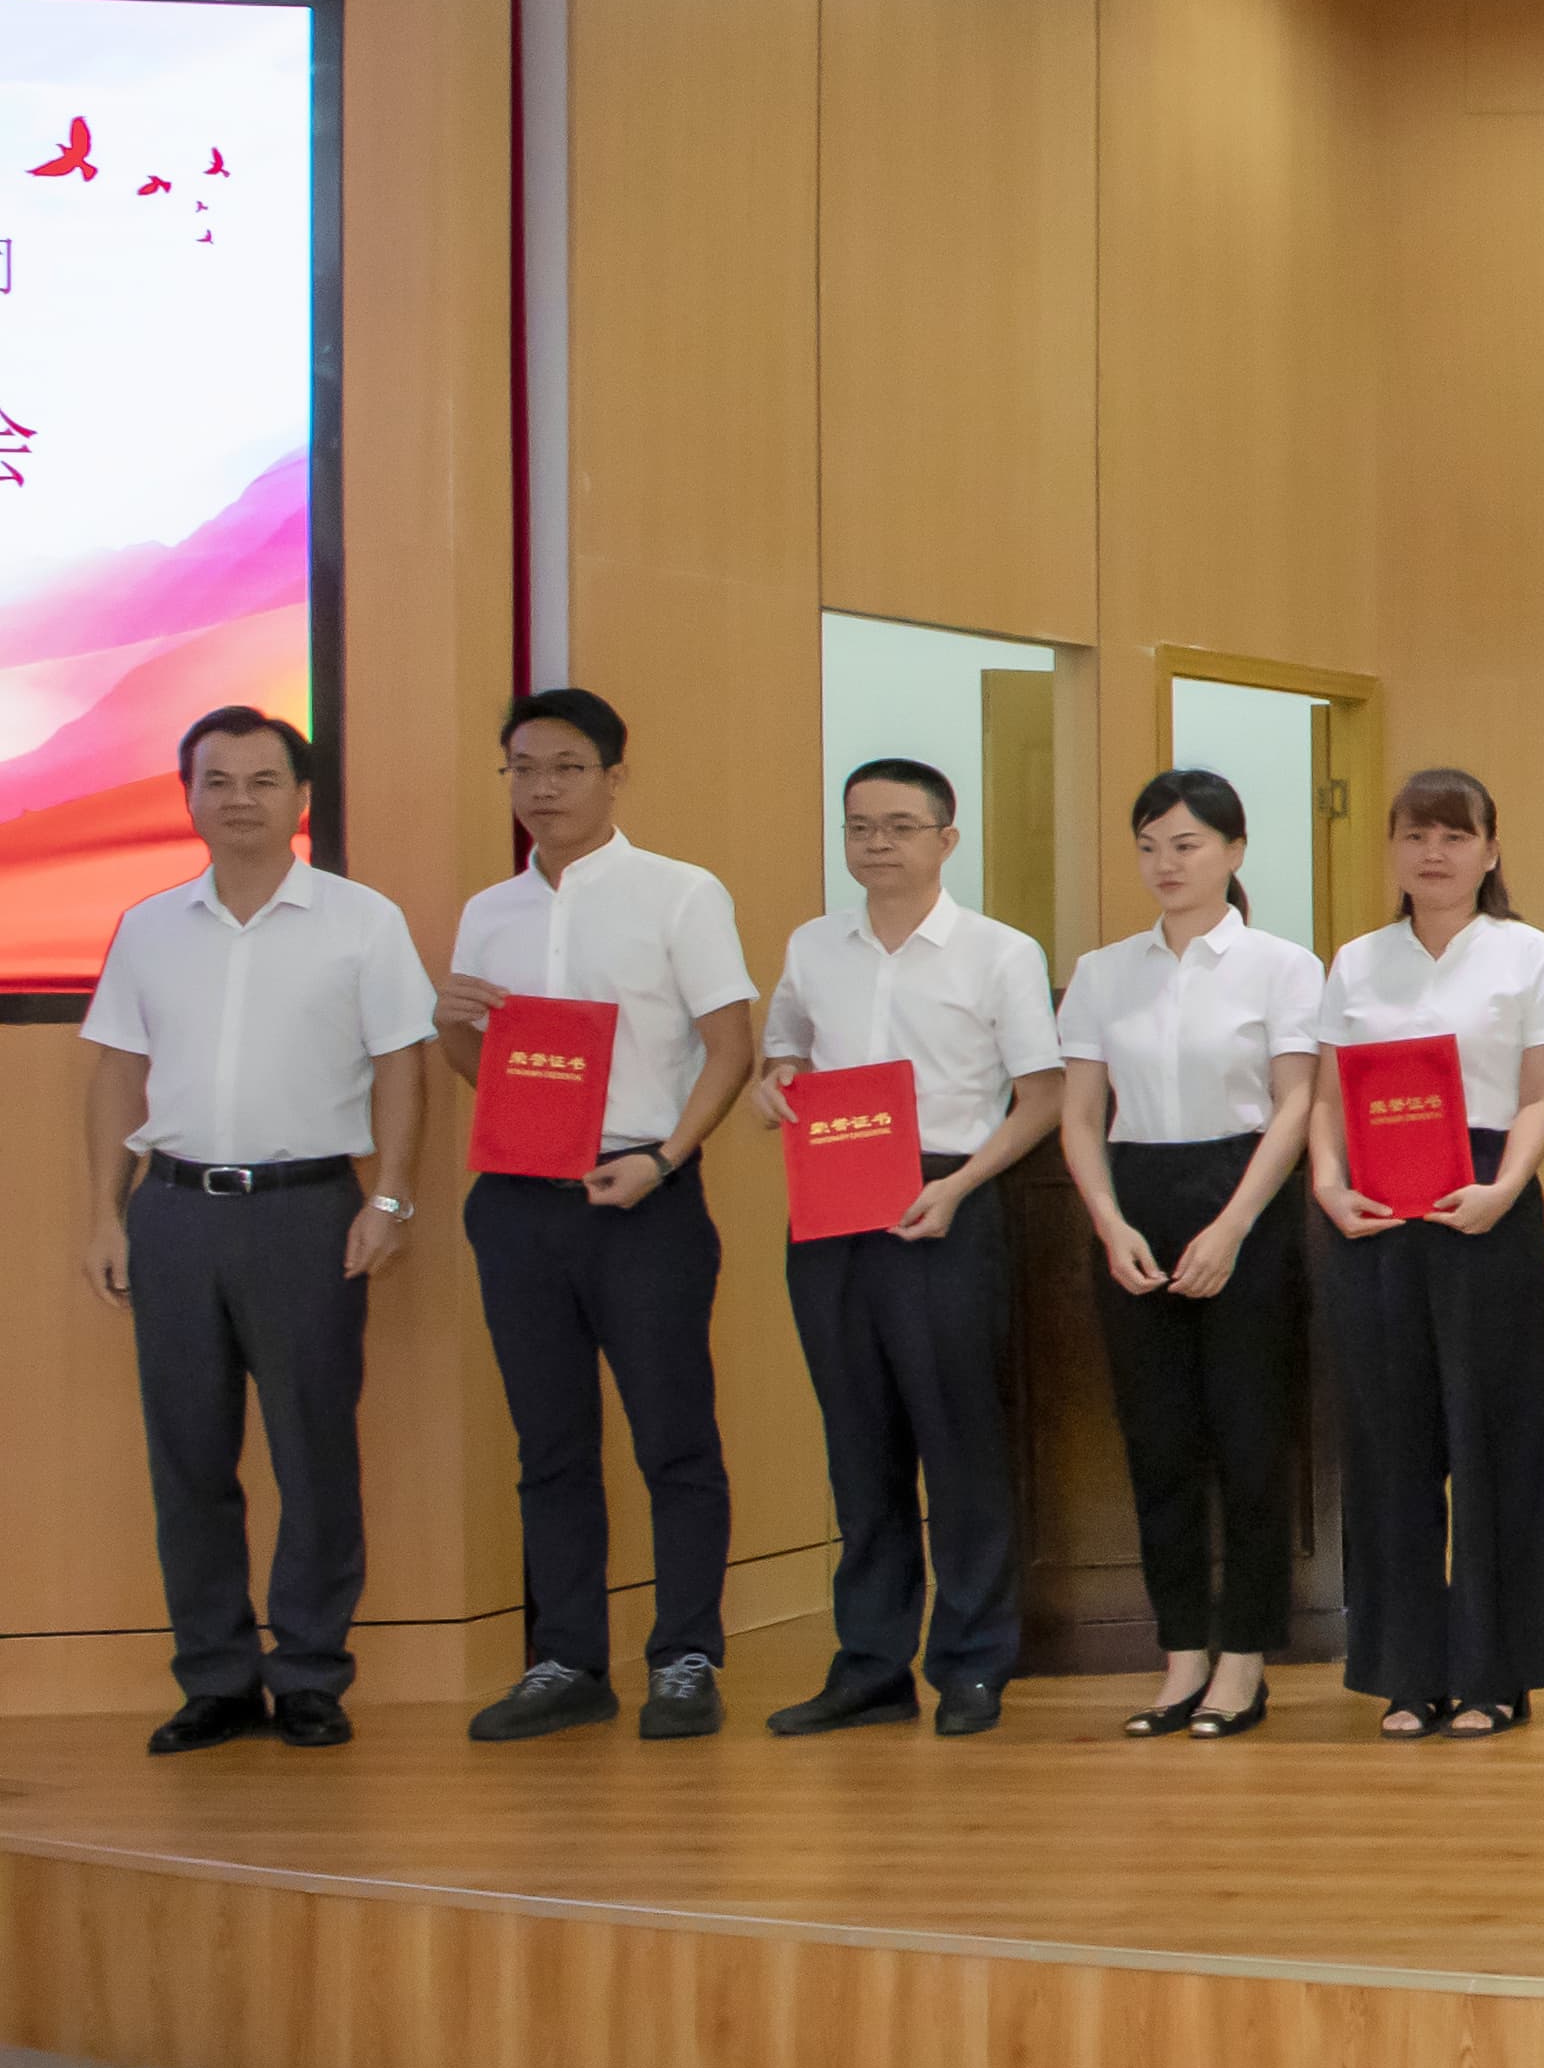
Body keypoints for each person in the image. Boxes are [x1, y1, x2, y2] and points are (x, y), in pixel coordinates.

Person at [76, 707, 427, 1754]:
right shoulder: (149, 926)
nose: (239, 800)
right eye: (217, 781)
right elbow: (118, 1072)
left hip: (307, 1213)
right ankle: (217, 1679)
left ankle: (310, 1672)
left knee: (313, 1451)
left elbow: (403, 1065)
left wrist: (391, 1197)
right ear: (188, 796)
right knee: (188, 1457)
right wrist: (104, 1212)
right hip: (174, 1212)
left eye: (263, 781)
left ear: (301, 798)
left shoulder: (363, 921)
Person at [443, 686, 762, 1745]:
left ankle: (685, 1656)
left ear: (614, 777)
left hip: (644, 1198)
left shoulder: (680, 893)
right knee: (550, 1445)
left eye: (567, 767)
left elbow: (731, 1048)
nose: (542, 788)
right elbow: (489, 1073)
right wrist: (450, 1027)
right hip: (519, 1201)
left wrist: (665, 1159)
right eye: (524, 768)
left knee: (674, 1438)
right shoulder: (490, 912)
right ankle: (567, 1659)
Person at [753, 756, 1065, 1736]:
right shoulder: (813, 945)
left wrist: (960, 1186)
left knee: (957, 1442)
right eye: (859, 827)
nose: (876, 843)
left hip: (947, 1197)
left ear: (946, 839)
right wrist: (776, 1081)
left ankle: (972, 1662)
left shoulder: (999, 952)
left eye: (898, 826)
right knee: (858, 1445)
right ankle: (871, 1664)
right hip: (832, 1200)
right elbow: (783, 1049)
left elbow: (1043, 1096)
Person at [1054, 767, 1327, 1737]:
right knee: (1157, 1443)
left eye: (1187, 844)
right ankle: (1180, 1658)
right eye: (1149, 846)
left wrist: (1234, 1223)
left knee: (1249, 1442)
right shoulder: (1102, 973)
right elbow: (1080, 1114)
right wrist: (1109, 1221)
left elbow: (1296, 1102)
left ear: (1234, 851)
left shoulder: (1282, 966)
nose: (1166, 864)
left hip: (1243, 1199)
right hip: (1134, 1200)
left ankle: (1244, 1660)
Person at [1312, 765, 1544, 1733]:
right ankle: (1406, 1670)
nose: (1434, 853)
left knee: (1494, 1441)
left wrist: (1505, 1188)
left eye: (1455, 835)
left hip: (1486, 1203)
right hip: (1375, 1219)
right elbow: (1326, 1097)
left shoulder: (1532, 957)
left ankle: (1493, 1673)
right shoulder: (1356, 962)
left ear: (1491, 850)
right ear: (1391, 849)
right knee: (1391, 1447)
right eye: (1416, 835)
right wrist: (1327, 1183)